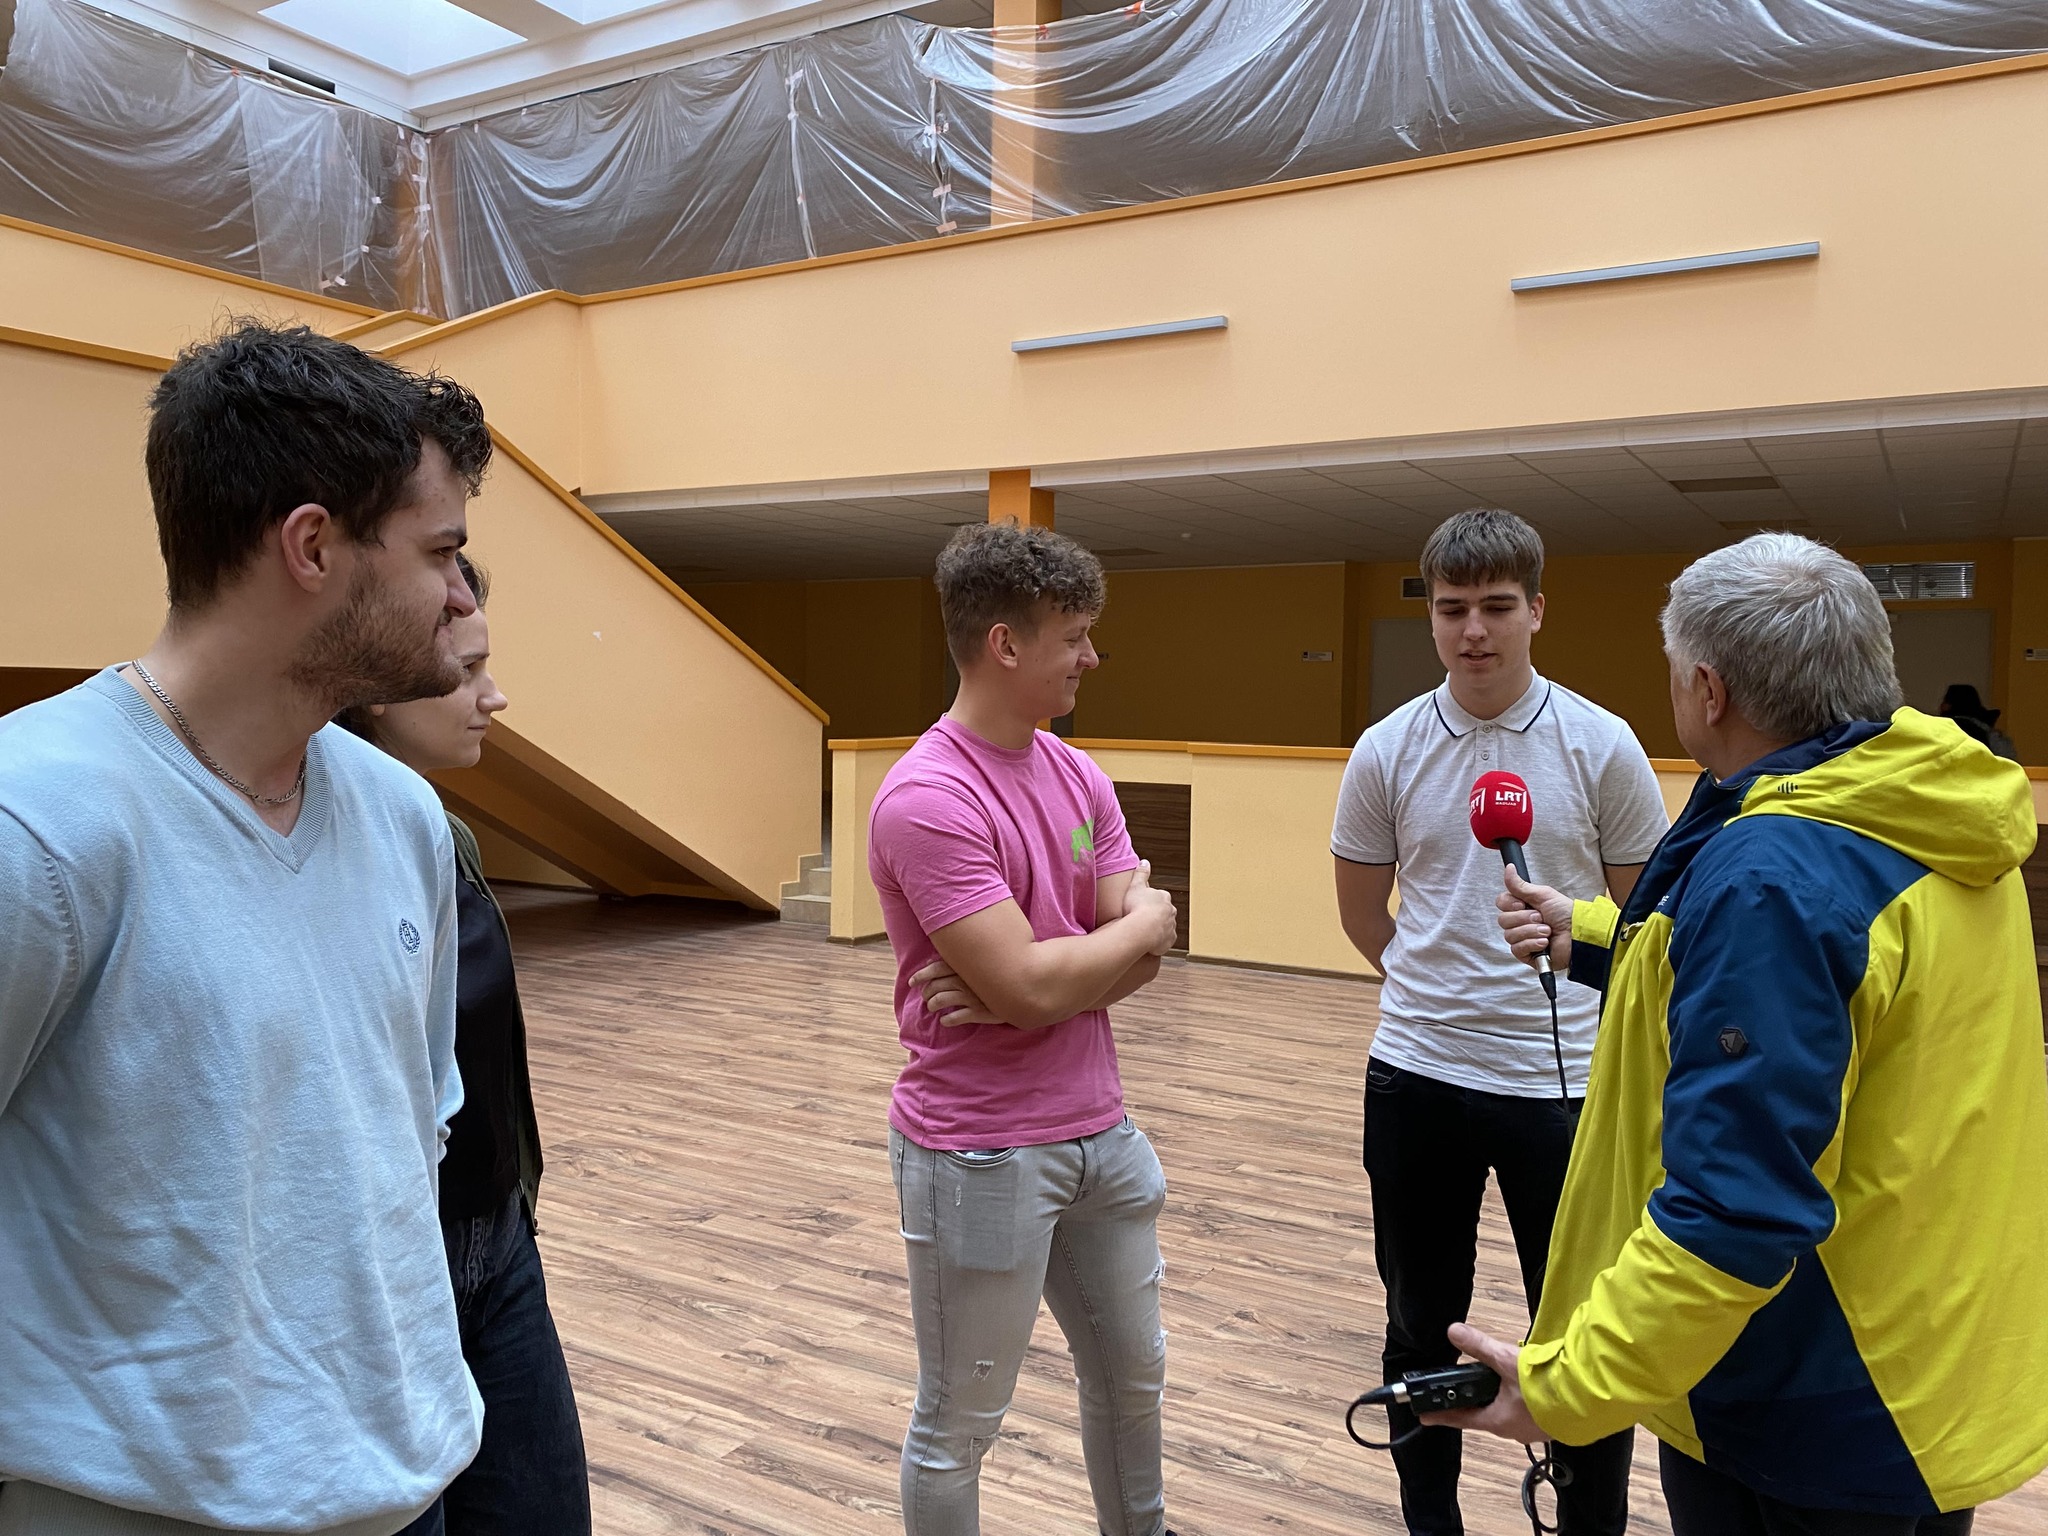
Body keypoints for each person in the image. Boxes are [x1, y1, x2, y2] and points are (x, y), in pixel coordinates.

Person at [1438, 533, 2048, 1535]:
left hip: (1815, 1399)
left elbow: (1736, 1207)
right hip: (1936, 1363)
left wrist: (1567, 1389)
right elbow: (1843, 997)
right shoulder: (1929, 808)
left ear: (1708, 690)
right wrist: (1593, 934)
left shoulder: (1773, 875)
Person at [0, 322, 490, 1534]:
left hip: (404, 1489)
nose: (462, 597)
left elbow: (411, 1136)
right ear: (312, 546)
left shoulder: (404, 816)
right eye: (441, 552)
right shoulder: (37, 826)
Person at [1331, 507, 1668, 1536]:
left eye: (1494, 607)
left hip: (1561, 1085)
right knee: (1416, 1324)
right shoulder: (1387, 748)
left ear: (1535, 611)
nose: (1471, 630)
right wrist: (1438, 993)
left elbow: (1646, 923)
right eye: (1450, 610)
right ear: (1430, 618)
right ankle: (1430, 1525)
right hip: (1416, 1075)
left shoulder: (1599, 743)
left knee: (1580, 1340)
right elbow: (1364, 916)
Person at [867, 521, 1182, 1536]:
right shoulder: (928, 798)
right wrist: (1119, 936)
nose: (1091, 656)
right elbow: (1073, 965)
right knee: (960, 1423)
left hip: (1100, 1132)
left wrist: (1063, 971)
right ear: (1005, 644)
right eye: (1074, 637)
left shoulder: (1077, 774)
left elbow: (1120, 962)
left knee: (1134, 1382)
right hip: (980, 1153)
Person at [338, 555, 592, 1536]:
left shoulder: (445, 837)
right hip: (391, 1273)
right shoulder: (307, 854)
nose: (495, 696)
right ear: (380, 683)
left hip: (496, 1245)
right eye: (468, 669)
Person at [1938, 683, 2017, 760]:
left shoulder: (1941, 729)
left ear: (1948, 705)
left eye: (1944, 701)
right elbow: (2010, 761)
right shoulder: (1991, 734)